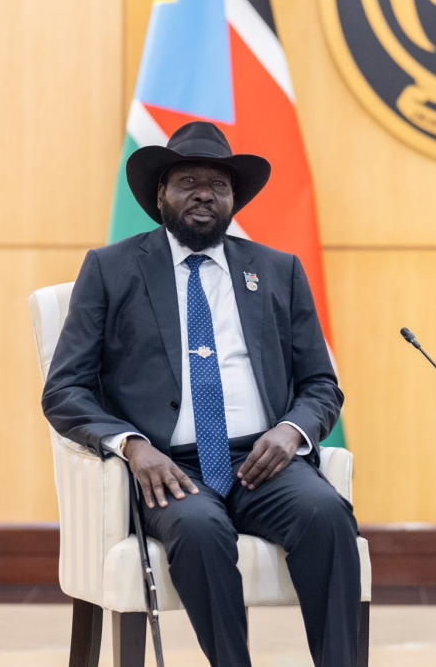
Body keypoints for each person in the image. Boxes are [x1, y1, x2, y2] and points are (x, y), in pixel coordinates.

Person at [42, 122, 359, 667]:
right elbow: (65, 388)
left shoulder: (278, 271)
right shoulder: (111, 269)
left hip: (265, 460)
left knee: (328, 514)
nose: (205, 193)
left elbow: (320, 385)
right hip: (167, 465)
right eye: (188, 180)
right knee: (200, 529)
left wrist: (292, 431)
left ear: (233, 200)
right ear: (160, 194)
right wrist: (132, 446)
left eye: (219, 184)